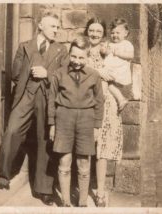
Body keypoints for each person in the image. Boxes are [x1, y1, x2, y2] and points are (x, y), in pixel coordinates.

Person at [0, 11, 69, 206]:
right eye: (53, 26)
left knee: (44, 139)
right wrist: (26, 79)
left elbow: (64, 76)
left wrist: (48, 73)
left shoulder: (61, 50)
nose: (56, 30)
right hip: (26, 96)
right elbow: (15, 73)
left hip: (47, 98)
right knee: (12, 131)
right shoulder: (24, 47)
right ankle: (3, 175)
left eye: (57, 27)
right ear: (41, 26)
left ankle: (44, 189)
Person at [48, 36, 104, 207]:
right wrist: (52, 124)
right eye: (74, 56)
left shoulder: (94, 75)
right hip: (64, 118)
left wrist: (96, 126)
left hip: (86, 120)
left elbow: (100, 102)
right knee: (64, 160)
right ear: (69, 54)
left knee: (83, 162)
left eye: (81, 57)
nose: (77, 61)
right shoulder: (59, 74)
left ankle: (82, 203)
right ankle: (65, 202)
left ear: (87, 57)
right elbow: (51, 100)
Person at [84, 17, 128, 207]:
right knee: (84, 146)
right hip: (84, 101)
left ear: (103, 35)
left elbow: (119, 71)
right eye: (91, 30)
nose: (94, 34)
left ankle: (100, 192)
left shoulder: (109, 50)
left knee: (101, 147)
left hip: (106, 102)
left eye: (98, 32)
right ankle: (81, 188)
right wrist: (97, 71)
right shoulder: (80, 49)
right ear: (87, 32)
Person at [100, 18, 134, 111]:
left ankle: (120, 98)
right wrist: (104, 50)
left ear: (125, 33)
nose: (114, 35)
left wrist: (119, 53)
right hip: (110, 69)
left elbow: (131, 55)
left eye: (117, 33)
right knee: (107, 83)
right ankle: (119, 99)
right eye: (112, 33)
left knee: (106, 81)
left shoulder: (127, 44)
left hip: (119, 70)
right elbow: (104, 52)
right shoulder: (109, 43)